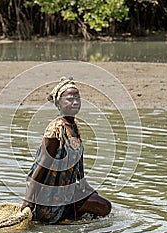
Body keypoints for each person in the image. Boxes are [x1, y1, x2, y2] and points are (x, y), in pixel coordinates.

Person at [21, 77, 111, 224]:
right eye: (69, 99)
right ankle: (64, 217)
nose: (75, 102)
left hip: (66, 188)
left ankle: (72, 217)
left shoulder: (73, 125)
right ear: (59, 103)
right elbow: (41, 166)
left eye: (77, 98)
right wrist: (28, 201)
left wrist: (85, 186)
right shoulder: (56, 130)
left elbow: (78, 164)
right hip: (50, 195)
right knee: (104, 207)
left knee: (101, 204)